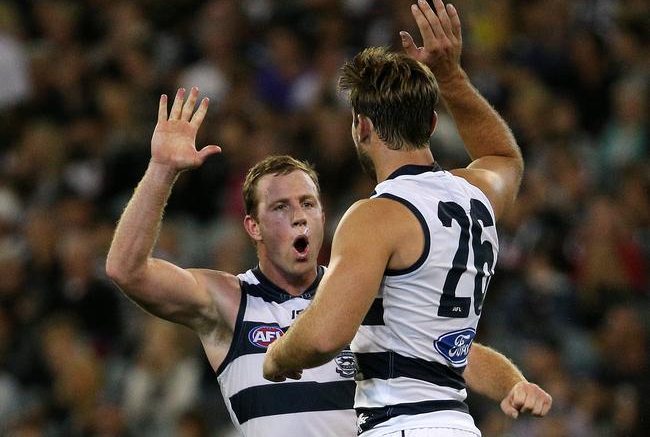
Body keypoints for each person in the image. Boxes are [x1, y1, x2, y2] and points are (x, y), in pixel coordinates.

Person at [106, 83, 549, 436]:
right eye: (281, 208)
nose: (299, 216)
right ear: (253, 228)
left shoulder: (362, 290)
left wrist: (511, 383)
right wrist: (161, 170)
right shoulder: (230, 301)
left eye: (309, 204)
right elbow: (126, 270)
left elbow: (451, 352)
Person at [263, 0, 538, 436]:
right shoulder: (478, 194)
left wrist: (278, 357)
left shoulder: (377, 216)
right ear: (431, 123)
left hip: (402, 425)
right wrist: (451, 76)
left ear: (362, 126)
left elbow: (324, 336)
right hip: (456, 424)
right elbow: (503, 153)